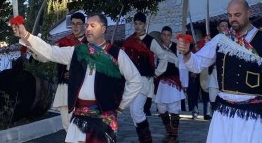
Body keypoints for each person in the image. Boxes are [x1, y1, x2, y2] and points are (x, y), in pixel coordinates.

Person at [12, 13, 142, 143]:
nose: (88, 29)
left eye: (93, 25)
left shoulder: (117, 54)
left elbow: (136, 81)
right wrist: (26, 35)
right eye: (87, 26)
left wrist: (121, 105)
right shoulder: (78, 51)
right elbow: (50, 52)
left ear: (103, 29)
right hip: (79, 115)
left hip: (104, 119)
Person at [177, 0, 262, 143]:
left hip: (253, 115)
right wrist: (187, 53)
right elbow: (197, 64)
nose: (233, 19)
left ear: (249, 13)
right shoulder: (221, 40)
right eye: (230, 15)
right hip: (223, 114)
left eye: (237, 15)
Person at [122, 11, 173, 143]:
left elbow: (163, 57)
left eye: (140, 23)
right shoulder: (129, 41)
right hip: (131, 81)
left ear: (144, 25)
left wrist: (156, 73)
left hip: (144, 81)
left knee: (137, 111)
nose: (137, 26)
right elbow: (123, 60)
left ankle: (147, 140)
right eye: (136, 23)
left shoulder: (150, 41)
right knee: (134, 114)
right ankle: (144, 139)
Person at [49, 12, 87, 130]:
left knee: (82, 124)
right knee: (67, 123)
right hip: (66, 85)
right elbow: (53, 55)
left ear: (84, 26)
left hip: (84, 86)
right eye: (73, 24)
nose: (75, 27)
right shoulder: (64, 42)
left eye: (78, 24)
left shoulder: (90, 44)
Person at [154, 25, 188, 143]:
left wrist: (184, 82)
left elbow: (182, 65)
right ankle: (169, 133)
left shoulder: (176, 47)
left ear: (171, 36)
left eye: (168, 35)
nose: (166, 37)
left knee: (173, 108)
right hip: (161, 82)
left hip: (174, 81)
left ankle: (174, 135)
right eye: (164, 34)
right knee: (161, 108)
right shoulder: (157, 48)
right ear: (161, 36)